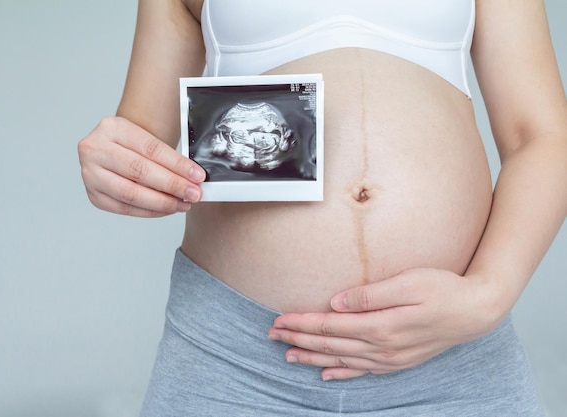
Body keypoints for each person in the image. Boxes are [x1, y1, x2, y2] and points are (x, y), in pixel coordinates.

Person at [78, 0, 567, 415]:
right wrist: (117, 163)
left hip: (451, 351)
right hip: (235, 363)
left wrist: (487, 297)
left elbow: (541, 136)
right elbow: (142, 134)